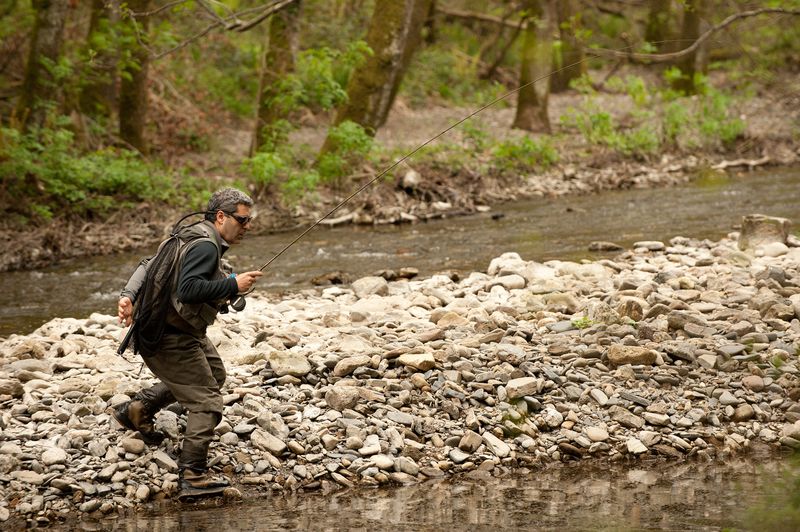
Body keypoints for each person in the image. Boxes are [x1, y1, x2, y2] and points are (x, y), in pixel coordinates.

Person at [114, 187, 263, 495]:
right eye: (243, 220)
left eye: (249, 221)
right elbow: (188, 290)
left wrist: (128, 295)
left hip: (171, 330)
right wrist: (233, 283)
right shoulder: (206, 246)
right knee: (207, 401)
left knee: (215, 375)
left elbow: (146, 264)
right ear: (221, 217)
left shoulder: (188, 233)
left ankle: (139, 409)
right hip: (170, 338)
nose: (247, 227)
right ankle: (192, 475)